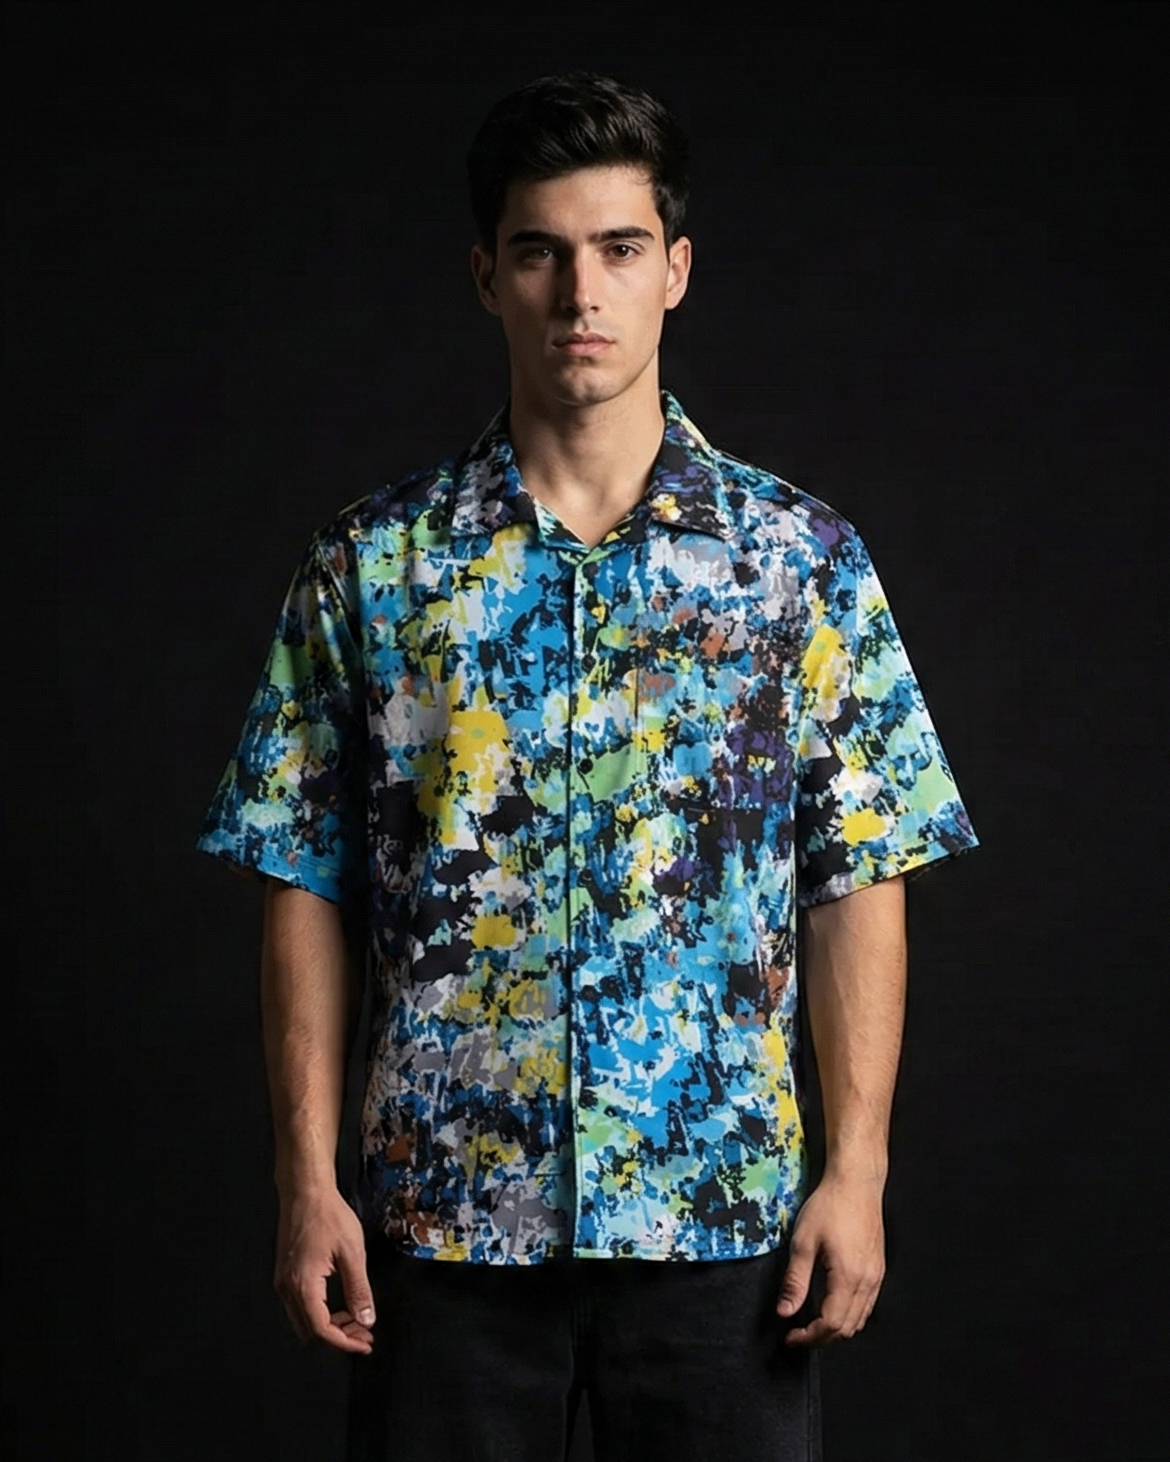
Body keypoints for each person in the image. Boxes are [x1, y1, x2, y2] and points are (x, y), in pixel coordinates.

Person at [199, 72, 977, 1462]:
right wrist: (304, 1180)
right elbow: (303, 880)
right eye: (539, 252)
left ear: (674, 269)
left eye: (618, 249)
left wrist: (857, 1170)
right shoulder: (373, 567)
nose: (580, 294)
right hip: (443, 1224)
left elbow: (858, 871)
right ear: (484, 276)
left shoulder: (797, 565)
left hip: (720, 1223)